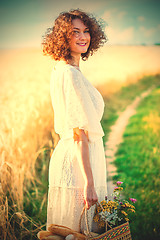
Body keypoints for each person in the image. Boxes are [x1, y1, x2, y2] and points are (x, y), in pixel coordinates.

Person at [42, 9, 107, 235]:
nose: (83, 37)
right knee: (79, 232)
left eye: (86, 31)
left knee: (71, 232)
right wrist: (89, 182)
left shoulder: (61, 69)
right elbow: (79, 133)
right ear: (63, 37)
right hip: (79, 164)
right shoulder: (70, 74)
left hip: (74, 157)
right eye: (75, 32)